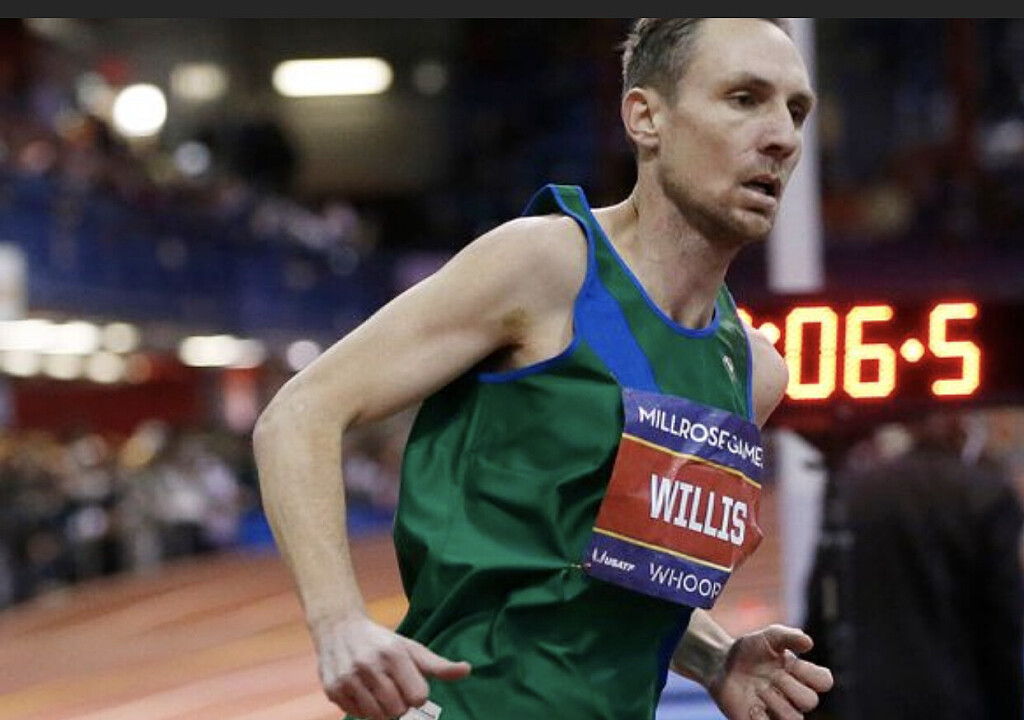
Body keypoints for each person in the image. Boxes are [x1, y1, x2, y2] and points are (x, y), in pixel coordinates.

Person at [254, 17, 834, 720]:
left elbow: (614, 571)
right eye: (744, 99)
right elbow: (299, 415)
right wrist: (338, 621)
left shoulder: (752, 372)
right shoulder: (547, 265)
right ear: (645, 118)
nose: (782, 136)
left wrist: (715, 658)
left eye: (795, 110)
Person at [803, 413, 1024, 720]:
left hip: (864, 704)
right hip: (958, 704)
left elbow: (822, 604)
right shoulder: (986, 493)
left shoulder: (855, 492)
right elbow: (1004, 624)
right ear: (963, 431)